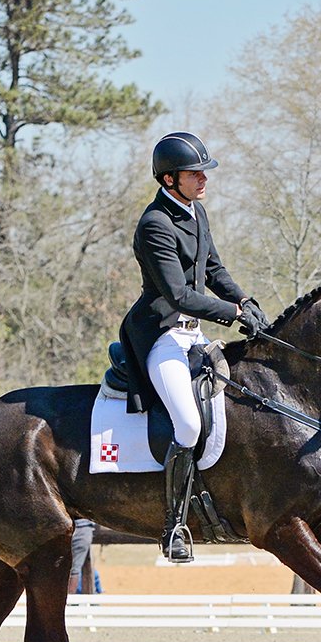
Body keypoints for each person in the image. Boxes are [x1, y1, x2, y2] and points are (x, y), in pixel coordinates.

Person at [119, 132, 269, 564]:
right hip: (161, 336)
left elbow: (215, 269)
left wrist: (244, 300)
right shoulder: (154, 225)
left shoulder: (196, 212)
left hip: (193, 334)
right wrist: (231, 314)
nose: (204, 178)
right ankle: (175, 526)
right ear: (169, 179)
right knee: (186, 424)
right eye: (194, 173)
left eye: (204, 172)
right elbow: (180, 295)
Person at [67, 518, 102, 594]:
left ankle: (69, 598)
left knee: (74, 570)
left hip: (77, 526)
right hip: (82, 527)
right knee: (74, 570)